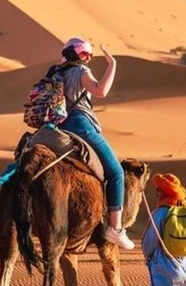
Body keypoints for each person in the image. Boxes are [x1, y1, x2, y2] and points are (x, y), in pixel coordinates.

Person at [56, 37, 134, 249]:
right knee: (116, 172)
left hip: (59, 128)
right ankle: (115, 228)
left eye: (90, 55)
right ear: (75, 54)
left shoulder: (56, 73)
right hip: (81, 125)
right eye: (84, 54)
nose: (88, 58)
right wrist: (112, 65)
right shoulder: (81, 72)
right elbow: (100, 91)